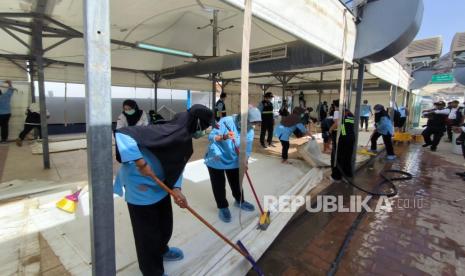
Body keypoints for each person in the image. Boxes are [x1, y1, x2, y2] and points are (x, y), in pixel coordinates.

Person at [114, 104, 212, 276]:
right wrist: (141, 163)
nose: (203, 131)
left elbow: (177, 164)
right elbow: (122, 135)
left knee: (165, 225)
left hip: (161, 185)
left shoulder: (183, 138)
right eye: (204, 127)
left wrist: (177, 188)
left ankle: (162, 249)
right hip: (141, 187)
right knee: (147, 234)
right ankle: (152, 271)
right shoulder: (169, 130)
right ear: (197, 123)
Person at [204, 107, 261, 222]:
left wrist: (245, 160)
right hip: (216, 157)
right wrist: (223, 137)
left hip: (234, 158)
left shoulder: (249, 130)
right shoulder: (226, 121)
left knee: (236, 182)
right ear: (243, 119)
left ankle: (239, 201)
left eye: (256, 123)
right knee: (219, 185)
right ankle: (223, 207)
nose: (254, 125)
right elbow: (211, 137)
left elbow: (247, 148)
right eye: (252, 122)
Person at [329, 100, 355, 182]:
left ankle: (336, 177)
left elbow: (337, 123)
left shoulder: (338, 112)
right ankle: (347, 175)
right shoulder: (350, 113)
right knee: (347, 157)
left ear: (336, 106)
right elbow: (344, 125)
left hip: (343, 137)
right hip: (351, 137)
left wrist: (330, 130)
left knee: (337, 157)